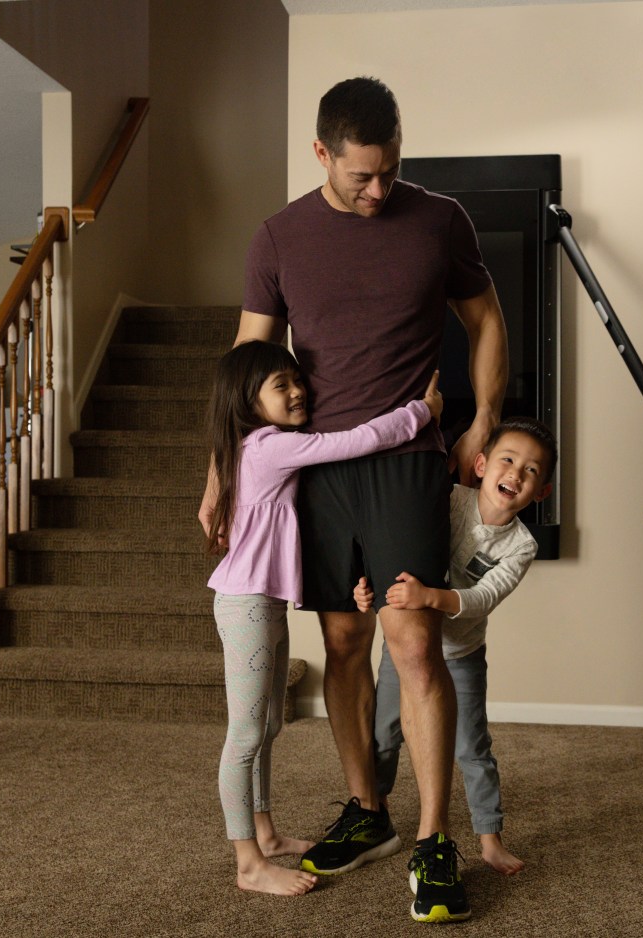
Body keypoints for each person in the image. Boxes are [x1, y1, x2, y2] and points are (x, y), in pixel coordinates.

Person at [199, 75, 508, 924]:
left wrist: (483, 420)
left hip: (408, 457)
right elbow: (246, 362)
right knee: (342, 641)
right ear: (322, 154)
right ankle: (367, 810)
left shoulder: (440, 218)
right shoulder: (278, 236)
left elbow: (485, 319)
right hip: (318, 467)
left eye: (390, 170)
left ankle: (433, 838)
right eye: (360, 175)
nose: (378, 190)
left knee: (414, 643)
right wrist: (223, 469)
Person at [204, 339, 443, 897]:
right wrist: (421, 412)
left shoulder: (253, 447)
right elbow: (357, 440)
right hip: (245, 604)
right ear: (247, 399)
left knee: (268, 725)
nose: (297, 391)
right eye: (280, 385)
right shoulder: (268, 447)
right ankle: (247, 863)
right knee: (243, 735)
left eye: (296, 380)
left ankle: (263, 833)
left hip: (262, 602)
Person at [355, 416, 557, 878]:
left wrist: (430, 598)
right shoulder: (449, 498)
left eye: (531, 471)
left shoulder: (521, 546)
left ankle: (490, 838)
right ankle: (374, 812)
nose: (516, 474)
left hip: (461, 656)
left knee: (472, 748)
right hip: (404, 648)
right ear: (481, 464)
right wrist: (367, 593)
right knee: (383, 735)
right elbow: (397, 553)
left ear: (541, 492)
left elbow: (483, 597)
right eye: (508, 460)